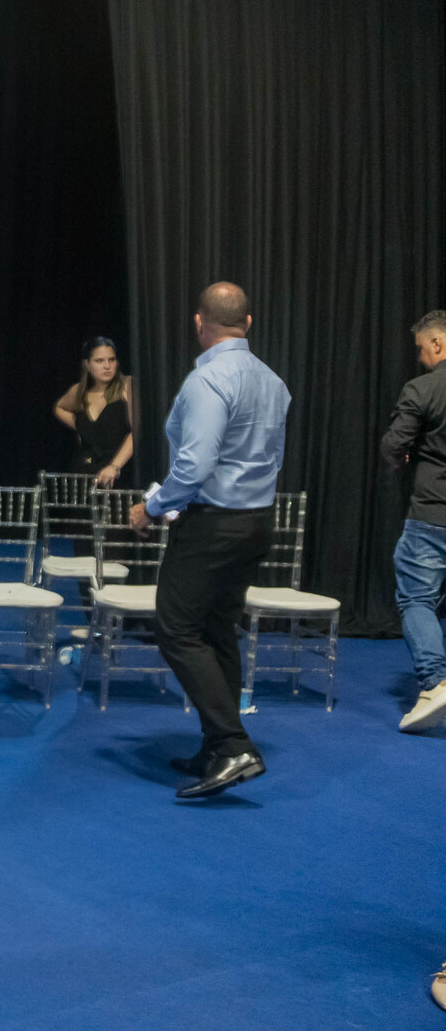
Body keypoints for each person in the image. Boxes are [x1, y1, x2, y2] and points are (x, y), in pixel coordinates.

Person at [131, 281, 289, 800]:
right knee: (217, 631)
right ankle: (214, 746)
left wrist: (152, 506)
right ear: (248, 321)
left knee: (176, 629)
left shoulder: (208, 382)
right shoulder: (272, 381)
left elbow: (195, 465)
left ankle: (232, 744)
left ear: (199, 322)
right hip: (256, 522)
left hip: (212, 524)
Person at [383, 310, 446, 732]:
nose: (421, 358)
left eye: (422, 350)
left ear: (438, 344)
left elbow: (394, 445)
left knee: (417, 600)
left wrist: (400, 456)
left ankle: (437, 682)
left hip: (433, 514)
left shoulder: (424, 387)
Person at [53, 336, 135, 487]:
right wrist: (82, 426)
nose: (107, 366)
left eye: (112, 360)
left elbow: (136, 431)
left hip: (117, 472)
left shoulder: (127, 387)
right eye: (99, 361)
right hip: (83, 472)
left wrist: (115, 466)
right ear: (87, 364)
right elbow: (59, 407)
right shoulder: (79, 391)